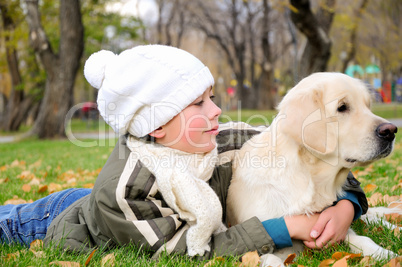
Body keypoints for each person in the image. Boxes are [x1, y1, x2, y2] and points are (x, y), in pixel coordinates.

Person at [0, 45, 367, 259]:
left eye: (211, 98)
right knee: (9, 223)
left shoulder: (224, 140)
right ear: (157, 126)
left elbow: (308, 154)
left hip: (101, 204)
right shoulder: (127, 190)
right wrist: (284, 227)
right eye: (198, 104)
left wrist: (346, 207)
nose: (216, 111)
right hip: (66, 219)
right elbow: (191, 249)